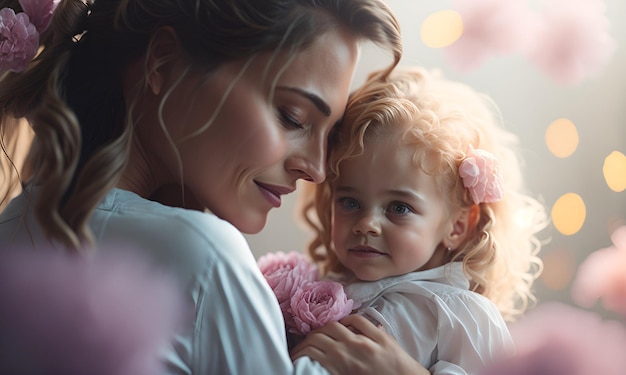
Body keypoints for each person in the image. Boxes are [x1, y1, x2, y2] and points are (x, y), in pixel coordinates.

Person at [0, 0, 421, 374]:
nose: (316, 169)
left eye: (329, 136)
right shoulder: (201, 255)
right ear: (163, 62)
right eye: (292, 117)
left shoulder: (12, 225)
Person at [295, 66, 548, 374]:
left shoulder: (459, 315)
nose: (366, 224)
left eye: (398, 208)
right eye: (350, 202)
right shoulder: (322, 293)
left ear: (457, 226)